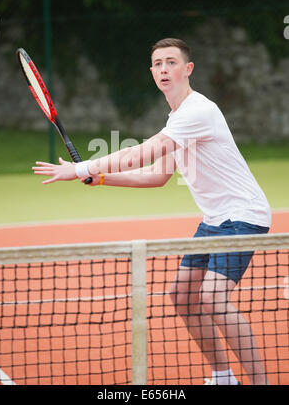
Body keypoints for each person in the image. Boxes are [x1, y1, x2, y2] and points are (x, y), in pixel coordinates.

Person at [33, 38, 271, 385]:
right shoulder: (177, 118)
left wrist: (82, 167)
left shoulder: (198, 111)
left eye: (171, 62)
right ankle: (223, 377)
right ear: (152, 72)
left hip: (242, 217)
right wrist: (99, 178)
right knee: (183, 295)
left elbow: (145, 152)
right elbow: (158, 176)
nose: (164, 69)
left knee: (213, 298)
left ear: (187, 69)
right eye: (158, 63)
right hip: (215, 220)